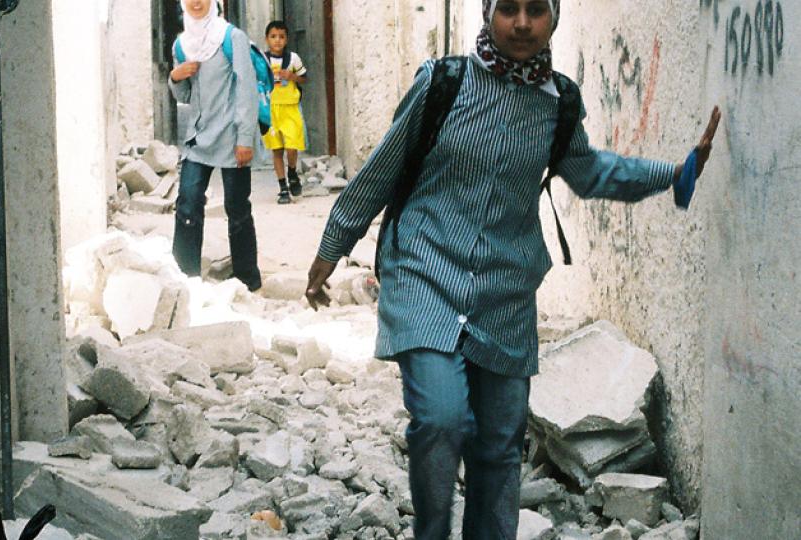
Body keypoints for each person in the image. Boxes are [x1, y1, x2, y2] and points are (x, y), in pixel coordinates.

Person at [305, 0, 722, 537]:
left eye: (535, 10)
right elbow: (383, 168)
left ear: (553, 18)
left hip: (506, 289)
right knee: (440, 418)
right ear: (487, 13)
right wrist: (332, 245)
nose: (521, 23)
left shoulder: (559, 101)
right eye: (507, 8)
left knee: (500, 446)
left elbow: (590, 172)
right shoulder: (443, 82)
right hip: (422, 272)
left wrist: (675, 173)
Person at [168, 0, 262, 291]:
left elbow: (246, 88)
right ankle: (185, 279)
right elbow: (184, 96)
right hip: (198, 139)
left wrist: (245, 138)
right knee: (187, 204)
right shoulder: (182, 44)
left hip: (232, 137)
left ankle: (247, 278)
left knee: (237, 208)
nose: (196, 3)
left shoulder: (231, 37)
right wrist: (175, 76)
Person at [261, 20, 309, 204]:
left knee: (291, 147)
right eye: (273, 37)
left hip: (290, 108)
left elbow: (304, 78)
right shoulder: (263, 60)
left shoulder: (293, 59)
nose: (277, 41)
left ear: (287, 39)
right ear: (267, 39)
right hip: (271, 111)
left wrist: (292, 76)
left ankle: (292, 171)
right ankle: (282, 187)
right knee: (277, 149)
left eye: (281, 37)